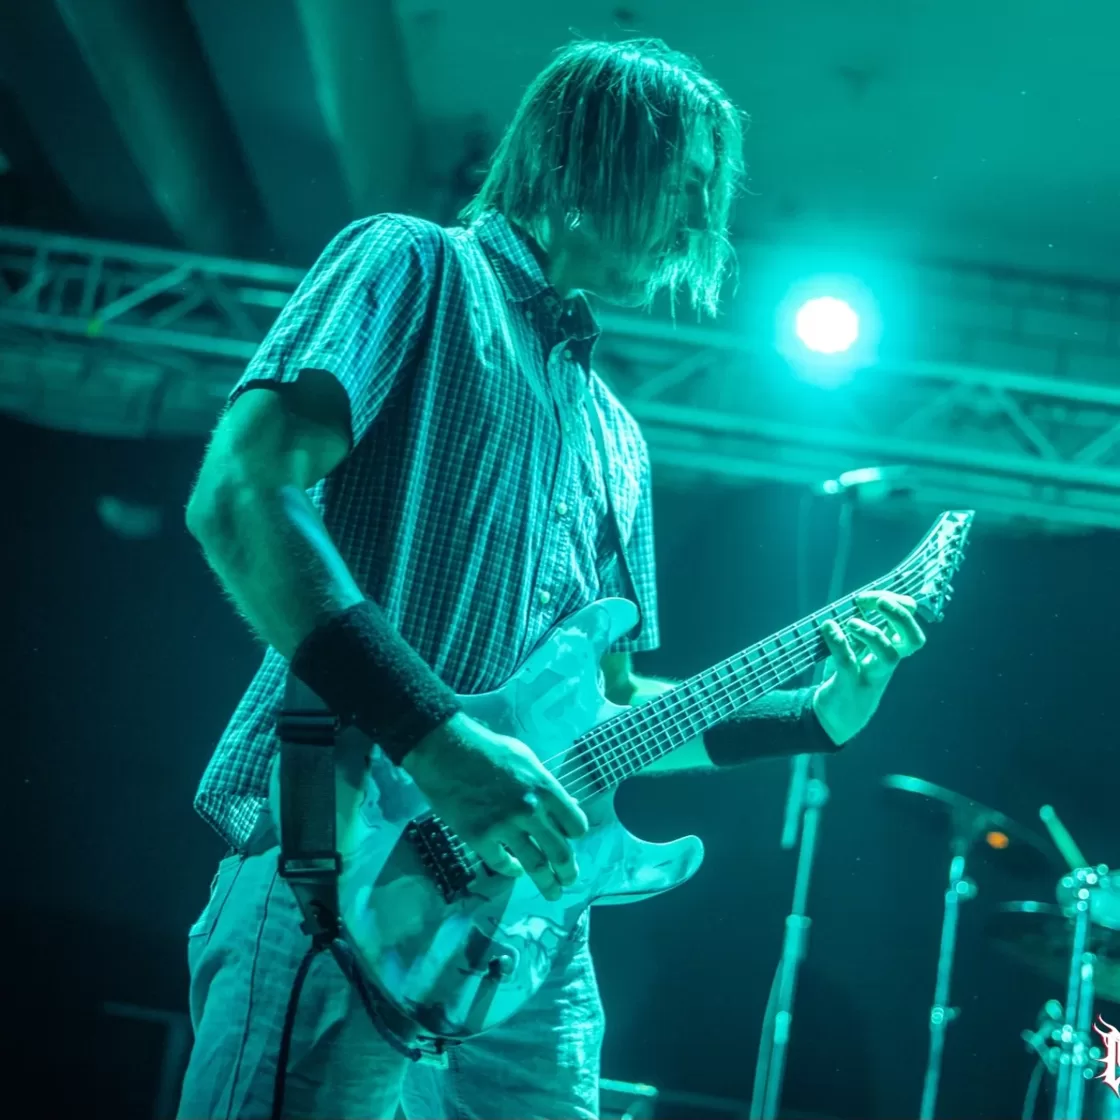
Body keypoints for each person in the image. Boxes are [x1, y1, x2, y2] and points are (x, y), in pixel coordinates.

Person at [177, 37, 927, 1120]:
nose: (698, 218)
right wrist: (440, 741)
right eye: (682, 180)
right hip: (343, 854)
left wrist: (810, 715)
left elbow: (607, 713)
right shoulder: (413, 265)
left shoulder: (617, 436)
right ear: (581, 156)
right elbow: (242, 494)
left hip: (524, 935)